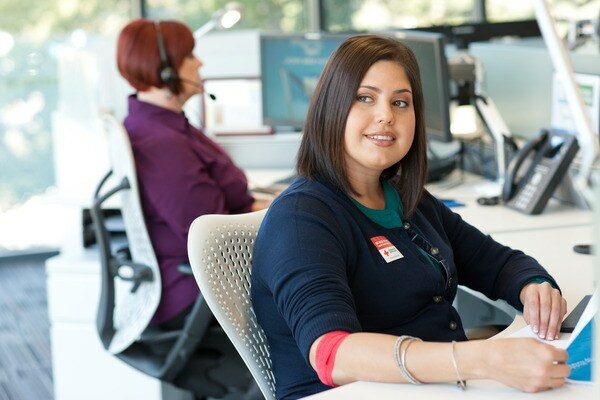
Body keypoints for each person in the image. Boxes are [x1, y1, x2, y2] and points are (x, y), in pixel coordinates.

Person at [251, 35, 569, 400]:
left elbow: (496, 263)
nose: (386, 115)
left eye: (401, 102)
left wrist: (535, 288)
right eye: (364, 97)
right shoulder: (302, 217)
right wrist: (481, 360)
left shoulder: (408, 199)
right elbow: (332, 353)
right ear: (331, 107)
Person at [116, 19, 267, 397]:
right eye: (189, 57)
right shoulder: (160, 142)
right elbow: (211, 233)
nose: (199, 65)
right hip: (194, 288)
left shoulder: (164, 125)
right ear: (166, 69)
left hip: (196, 278)